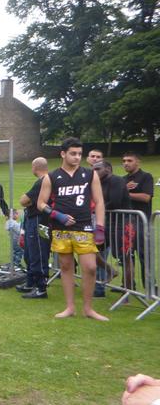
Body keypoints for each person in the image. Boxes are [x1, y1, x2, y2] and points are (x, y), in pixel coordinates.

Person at [37, 137, 108, 321]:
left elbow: (99, 202)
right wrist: (57, 215)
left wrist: (100, 227)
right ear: (63, 154)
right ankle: (70, 307)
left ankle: (88, 308)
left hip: (84, 226)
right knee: (66, 266)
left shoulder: (89, 174)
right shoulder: (51, 177)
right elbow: (41, 203)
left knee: (90, 267)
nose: (77, 157)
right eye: (73, 153)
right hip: (61, 229)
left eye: (79, 154)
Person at [93, 161, 129, 297]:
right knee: (91, 250)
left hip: (122, 223)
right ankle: (110, 270)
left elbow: (115, 202)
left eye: (98, 169)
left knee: (124, 257)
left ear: (108, 169)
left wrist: (96, 209)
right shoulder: (98, 183)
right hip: (107, 223)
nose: (94, 171)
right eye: (93, 169)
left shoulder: (117, 180)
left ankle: (127, 292)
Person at [17, 157, 52, 299]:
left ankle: (41, 288)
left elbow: (23, 200)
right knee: (31, 253)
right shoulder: (45, 181)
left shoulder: (42, 181)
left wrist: (28, 202)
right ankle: (31, 282)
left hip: (39, 221)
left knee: (38, 252)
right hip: (37, 220)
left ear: (35, 167)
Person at [122, 151, 154, 291]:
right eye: (124, 161)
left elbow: (146, 197)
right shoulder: (122, 179)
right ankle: (128, 286)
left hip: (142, 223)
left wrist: (125, 193)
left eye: (129, 160)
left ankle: (150, 287)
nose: (126, 163)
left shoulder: (145, 177)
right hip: (126, 223)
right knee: (126, 256)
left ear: (137, 162)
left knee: (144, 255)